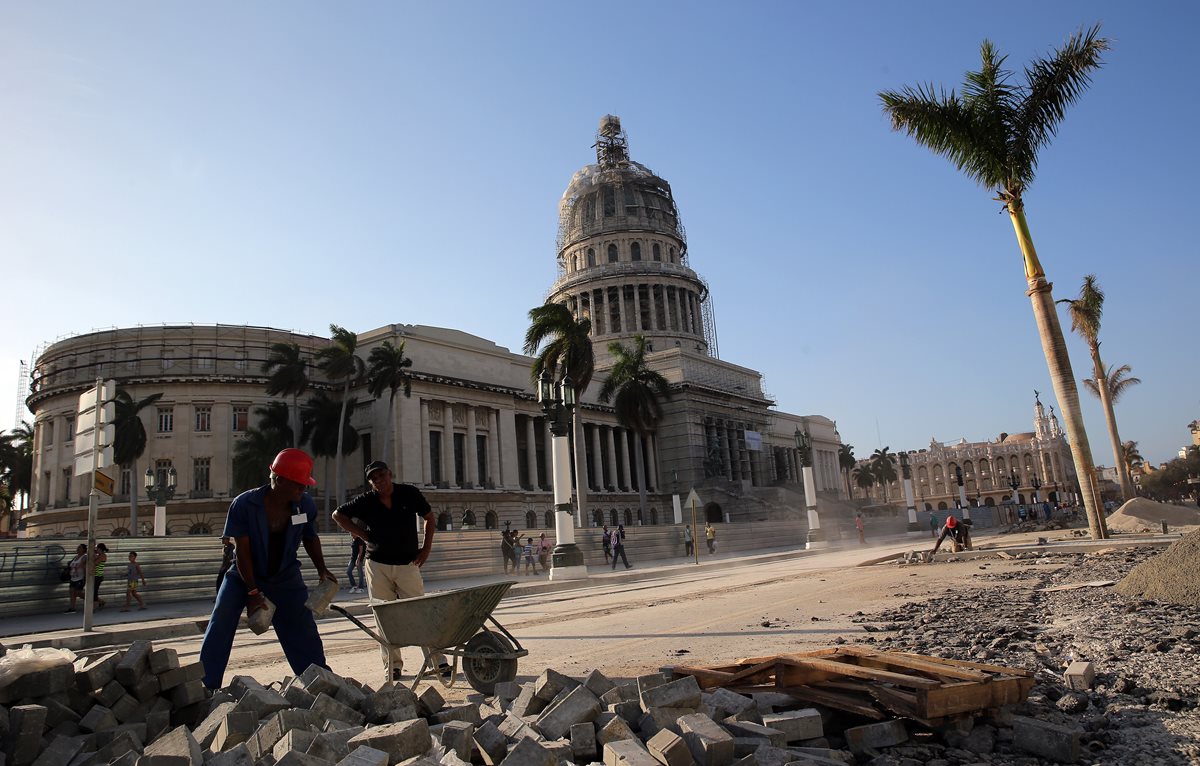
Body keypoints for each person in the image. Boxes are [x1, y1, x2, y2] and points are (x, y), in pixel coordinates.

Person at [200, 448, 336, 690]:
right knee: (221, 621)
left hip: (285, 577)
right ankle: (206, 686)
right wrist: (252, 592)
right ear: (279, 480)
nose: (303, 489)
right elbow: (242, 552)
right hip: (243, 576)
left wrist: (322, 569)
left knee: (302, 628)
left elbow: (310, 538)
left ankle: (320, 683)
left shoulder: (304, 505)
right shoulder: (244, 504)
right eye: (299, 485)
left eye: (305, 485)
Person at [332, 460, 448, 683]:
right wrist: (363, 535)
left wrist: (426, 549)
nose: (379, 481)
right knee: (384, 618)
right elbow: (338, 515)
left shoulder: (409, 493)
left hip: (407, 564)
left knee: (421, 612)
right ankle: (393, 666)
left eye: (381, 475)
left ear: (390, 474)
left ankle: (438, 661)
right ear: (370, 482)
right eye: (373, 478)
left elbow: (429, 518)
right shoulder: (366, 501)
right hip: (377, 566)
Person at [65, 544, 87, 613]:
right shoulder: (75, 557)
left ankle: (92, 600)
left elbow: (85, 567)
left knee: (78, 593)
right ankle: (72, 608)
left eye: (80, 548)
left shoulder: (84, 557)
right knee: (72, 593)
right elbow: (70, 565)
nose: (77, 549)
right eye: (78, 547)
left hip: (80, 578)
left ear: (84, 549)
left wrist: (85, 577)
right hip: (73, 578)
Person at [92, 543, 109, 609]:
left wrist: (94, 555)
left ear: (100, 549)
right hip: (95, 575)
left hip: (98, 576)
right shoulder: (99, 555)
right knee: (93, 591)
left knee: (95, 592)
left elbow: (95, 563)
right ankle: (101, 602)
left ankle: (94, 606)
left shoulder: (103, 556)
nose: (96, 550)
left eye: (97, 549)